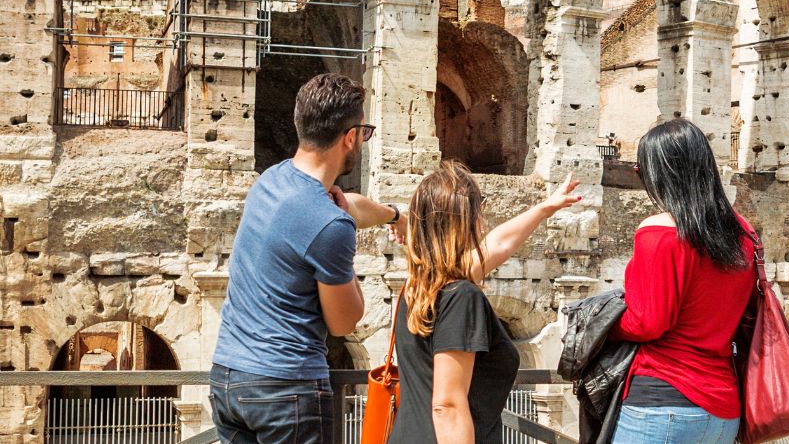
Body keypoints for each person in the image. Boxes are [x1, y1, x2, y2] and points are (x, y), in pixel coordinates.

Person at [209, 73, 404, 443]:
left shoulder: (271, 180)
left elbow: (350, 207)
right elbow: (344, 321)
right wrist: (346, 260)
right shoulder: (330, 225)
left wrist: (396, 216)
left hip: (229, 377)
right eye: (363, 133)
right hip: (285, 387)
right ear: (350, 137)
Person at [391, 161, 581, 444]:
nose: (483, 217)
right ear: (465, 220)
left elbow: (498, 245)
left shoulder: (418, 287)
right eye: (479, 206)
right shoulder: (461, 297)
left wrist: (544, 208)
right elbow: (447, 406)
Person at [608, 118, 757, 444]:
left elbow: (647, 323)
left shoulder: (658, 232)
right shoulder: (744, 233)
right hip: (723, 412)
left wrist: (606, 324)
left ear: (662, 173)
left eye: (641, 171)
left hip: (663, 402)